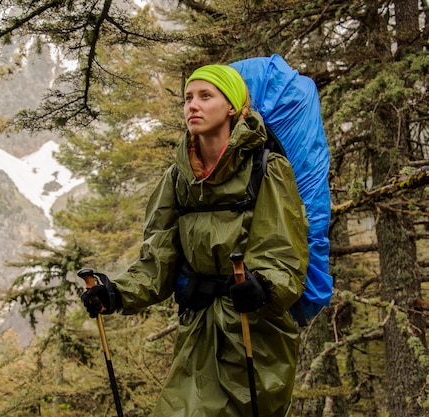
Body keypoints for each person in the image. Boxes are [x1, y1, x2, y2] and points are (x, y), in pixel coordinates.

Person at [81, 64, 309, 417]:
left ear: (232, 107)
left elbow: (282, 252)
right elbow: (158, 260)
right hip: (198, 329)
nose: (193, 105)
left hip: (255, 332)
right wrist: (117, 292)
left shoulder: (267, 168)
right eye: (188, 97)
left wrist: (263, 285)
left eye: (206, 96)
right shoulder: (177, 179)